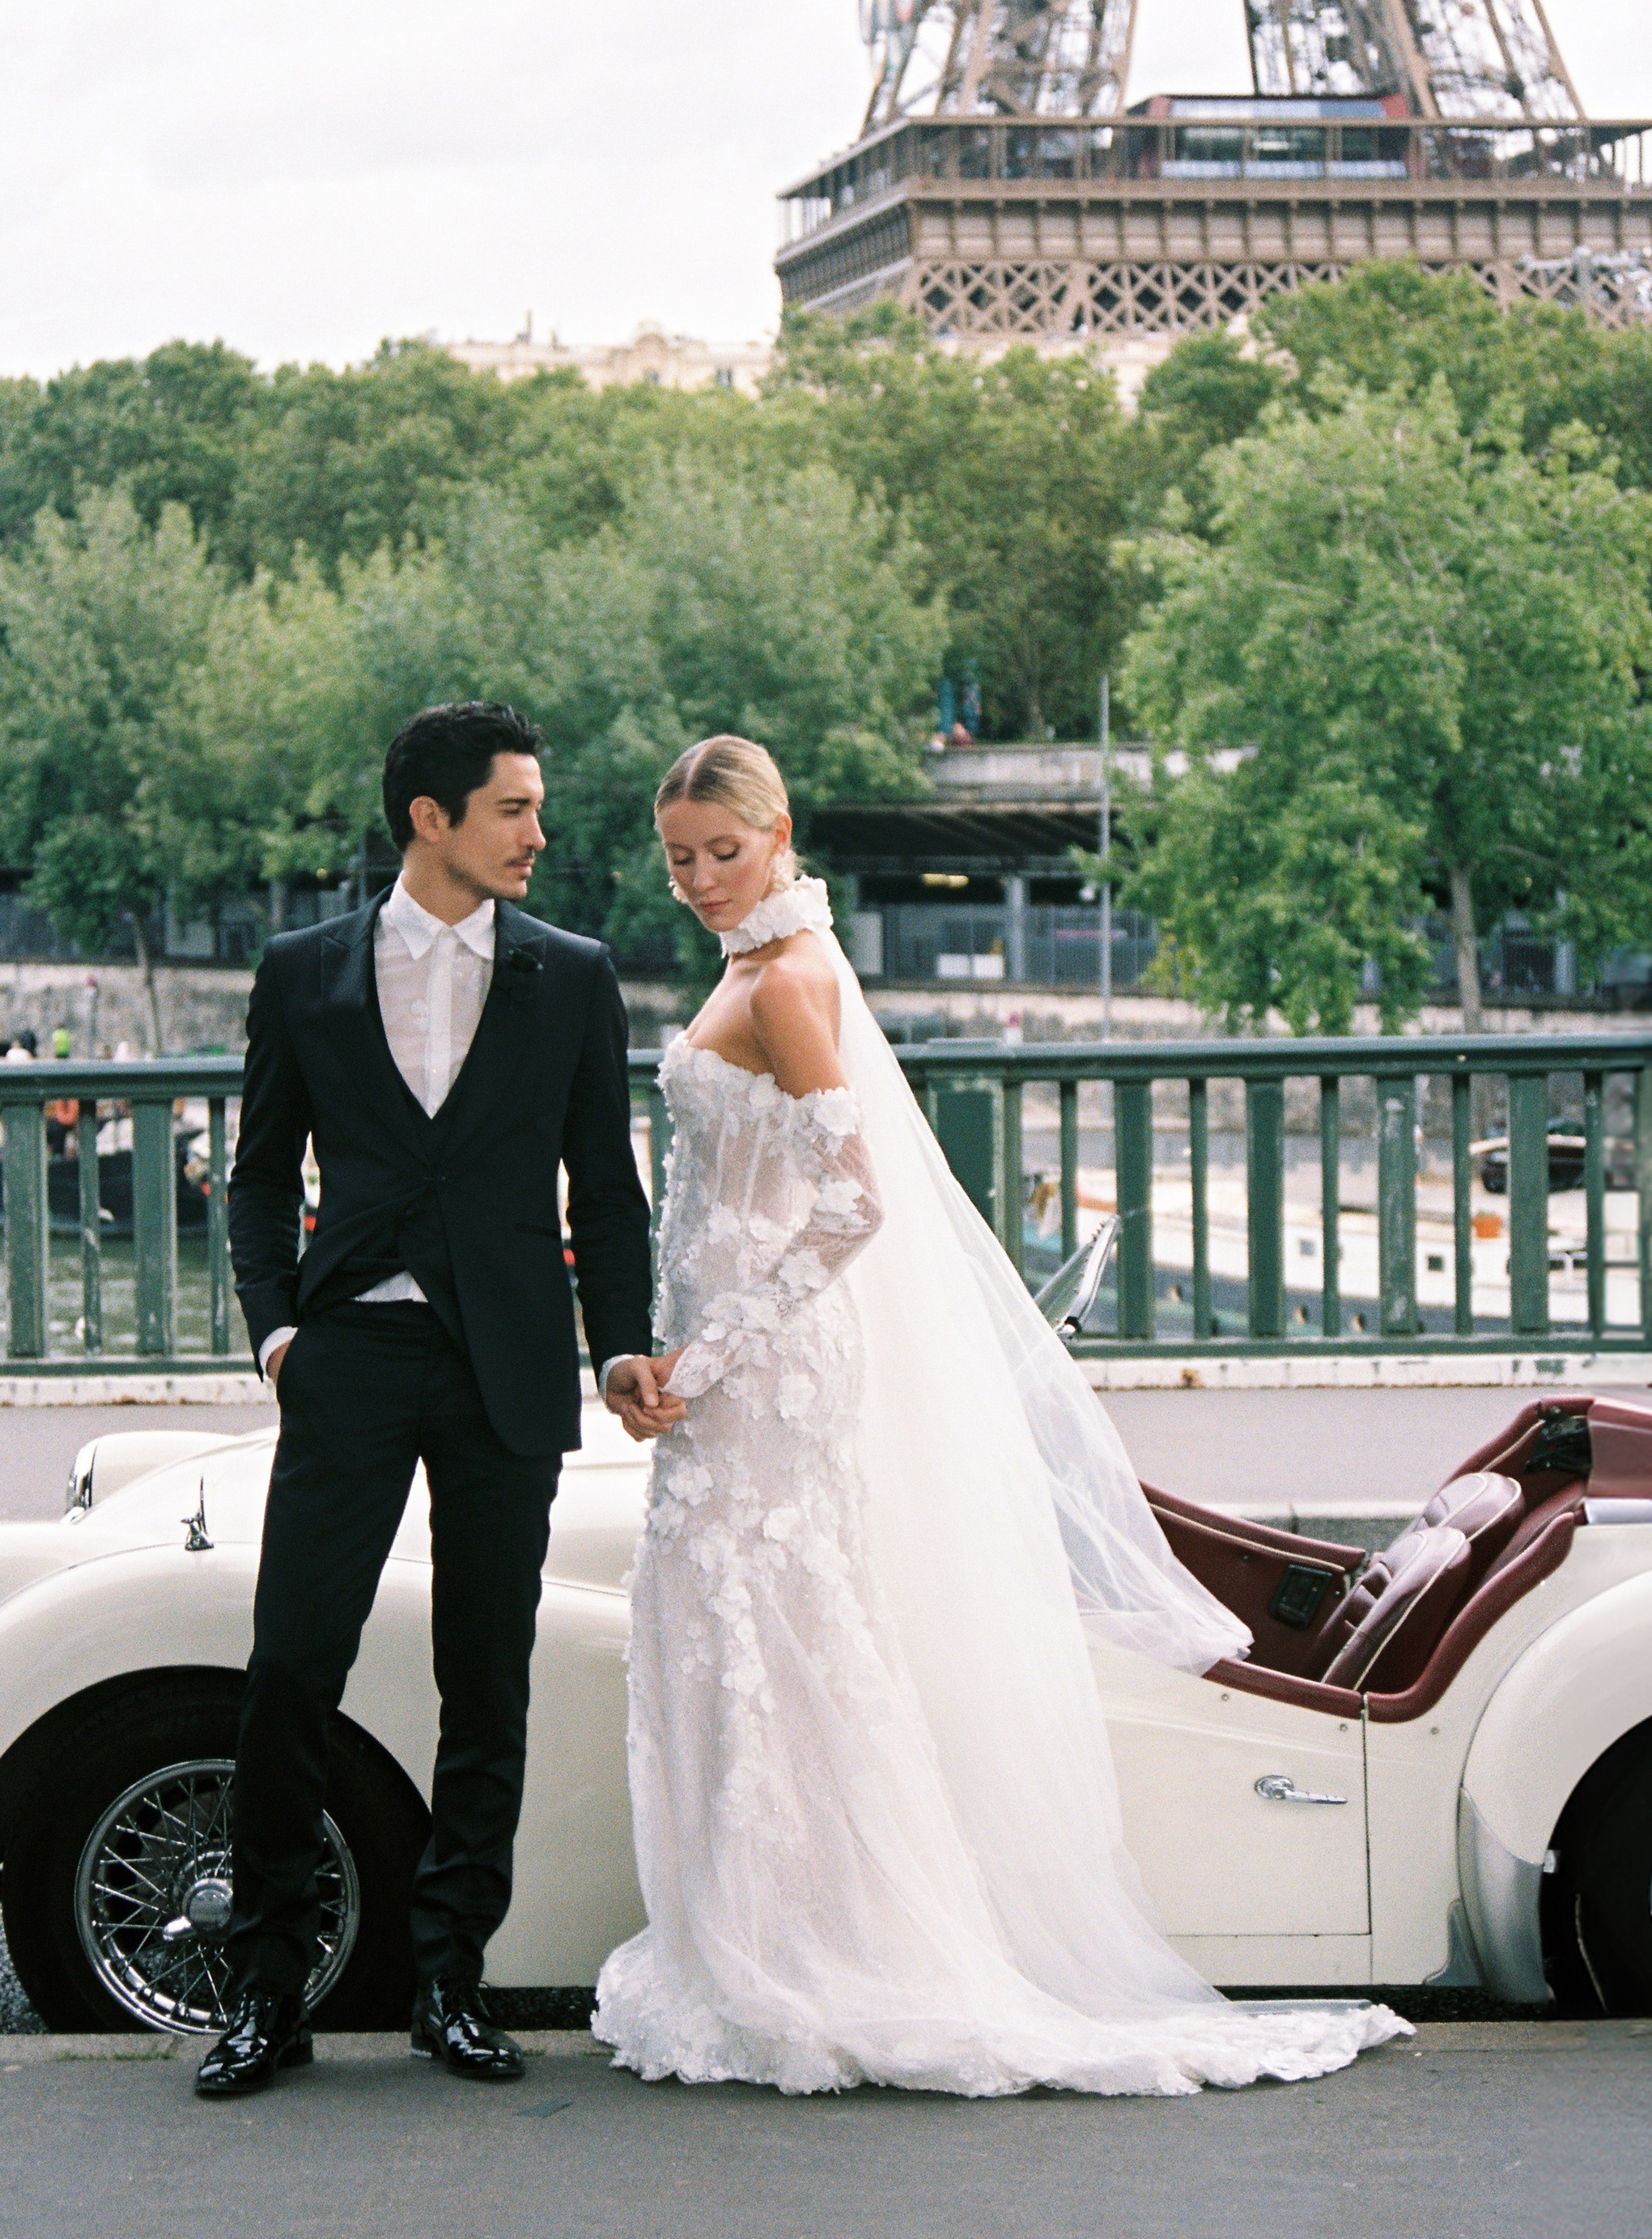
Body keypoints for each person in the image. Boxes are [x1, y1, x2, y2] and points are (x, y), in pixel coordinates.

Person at [592, 734, 1409, 2097]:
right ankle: (756, 1938)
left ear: (780, 832)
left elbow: (854, 1204)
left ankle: (808, 1952)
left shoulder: (790, 979)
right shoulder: (757, 964)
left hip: (764, 1374)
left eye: (723, 854)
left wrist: (711, 1355)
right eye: (678, 859)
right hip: (724, 1368)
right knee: (746, 1644)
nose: (698, 881)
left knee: (768, 1635)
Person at [206, 703, 661, 2100]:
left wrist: (621, 1347)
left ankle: (448, 1982)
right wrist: (280, 1333)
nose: (539, 833)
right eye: (515, 809)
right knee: (291, 1664)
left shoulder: (572, 977)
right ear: (432, 819)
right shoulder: (304, 971)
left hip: (505, 1366)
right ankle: (265, 1987)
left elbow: (607, 1182)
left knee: (487, 1676)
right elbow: (259, 1171)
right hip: (349, 1357)